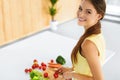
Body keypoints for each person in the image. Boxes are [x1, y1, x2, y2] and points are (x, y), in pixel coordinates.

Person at [57, 0, 106, 80]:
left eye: (88, 12)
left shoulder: (88, 44)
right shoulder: (97, 35)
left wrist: (72, 75)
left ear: (99, 16)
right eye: (80, 8)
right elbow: (86, 66)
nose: (81, 14)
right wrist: (70, 69)